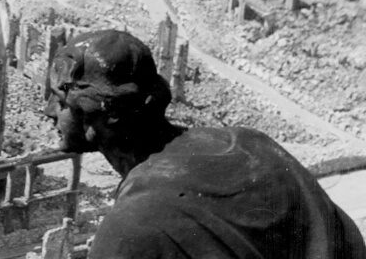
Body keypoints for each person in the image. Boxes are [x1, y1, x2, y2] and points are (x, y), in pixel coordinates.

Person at [42, 30, 366, 258]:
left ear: (108, 112)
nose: (48, 111)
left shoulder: (129, 229)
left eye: (60, 100)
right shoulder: (253, 145)